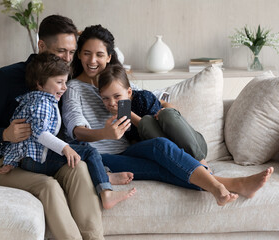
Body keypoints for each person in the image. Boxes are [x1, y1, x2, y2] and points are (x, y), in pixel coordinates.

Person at [62, 24, 274, 207]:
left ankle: (227, 183)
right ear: (79, 54)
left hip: (129, 150)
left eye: (99, 54)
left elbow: (153, 95)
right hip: (102, 158)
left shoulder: (115, 81)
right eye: (87, 53)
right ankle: (228, 185)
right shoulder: (73, 88)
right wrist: (104, 133)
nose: (92, 60)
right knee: (161, 168)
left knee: (160, 145)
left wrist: (166, 106)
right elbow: (76, 131)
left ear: (108, 57)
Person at [0, 15, 107, 240]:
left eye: (72, 52)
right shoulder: (6, 77)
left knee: (79, 169)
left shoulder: (64, 79)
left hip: (48, 158)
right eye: (61, 51)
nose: (68, 59)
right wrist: (5, 134)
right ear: (41, 45)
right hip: (7, 163)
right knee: (49, 186)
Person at [0, 52, 136, 209]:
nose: (64, 87)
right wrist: (65, 148)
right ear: (40, 84)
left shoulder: (33, 100)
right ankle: (106, 193)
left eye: (65, 82)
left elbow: (24, 141)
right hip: (37, 160)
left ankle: (104, 175)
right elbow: (41, 134)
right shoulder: (43, 103)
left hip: (31, 158)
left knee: (84, 151)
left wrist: (11, 162)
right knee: (89, 152)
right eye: (59, 82)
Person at [98, 63, 207, 161]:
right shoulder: (116, 115)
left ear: (129, 92)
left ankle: (201, 162)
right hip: (173, 155)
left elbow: (153, 128)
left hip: (194, 145)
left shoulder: (143, 98)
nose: (112, 103)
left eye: (117, 96)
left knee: (156, 118)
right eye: (105, 98)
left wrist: (128, 113)